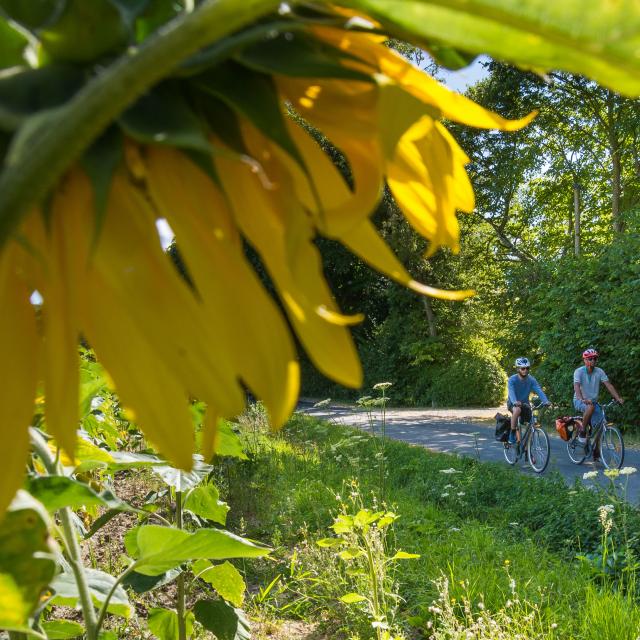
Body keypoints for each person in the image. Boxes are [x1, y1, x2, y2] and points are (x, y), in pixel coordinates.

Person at [573, 348, 624, 459]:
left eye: (595, 358)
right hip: (579, 400)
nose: (593, 360)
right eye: (590, 358)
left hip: (593, 402)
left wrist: (618, 398)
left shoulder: (599, 371)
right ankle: (582, 431)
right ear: (585, 360)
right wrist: (581, 398)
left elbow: (608, 385)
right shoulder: (579, 371)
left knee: (602, 424)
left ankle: (596, 449)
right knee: (590, 407)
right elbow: (576, 386)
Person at [507, 357, 550, 445]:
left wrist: (545, 401)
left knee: (531, 424)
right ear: (518, 369)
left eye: (527, 368)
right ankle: (512, 432)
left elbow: (539, 390)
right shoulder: (512, 379)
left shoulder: (531, 380)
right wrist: (515, 402)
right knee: (517, 410)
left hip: (525, 404)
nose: (525, 370)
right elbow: (511, 392)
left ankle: (527, 451)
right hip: (513, 402)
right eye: (523, 368)